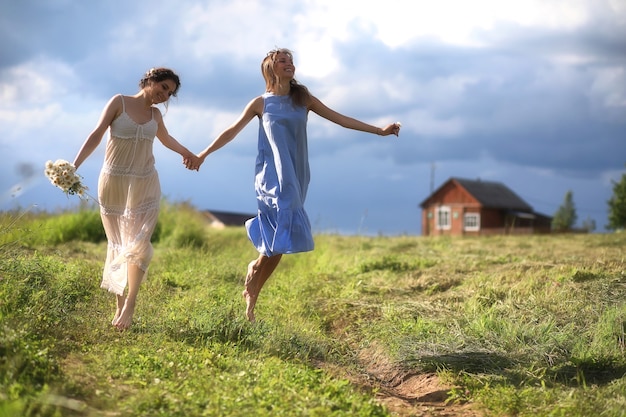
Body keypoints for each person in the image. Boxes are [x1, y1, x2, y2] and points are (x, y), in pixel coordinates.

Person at [196, 48, 401, 322]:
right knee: (280, 230)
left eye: (291, 61)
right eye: (283, 61)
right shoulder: (260, 103)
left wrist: (379, 131)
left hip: (296, 174)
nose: (289, 64)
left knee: (283, 239)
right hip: (270, 176)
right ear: (270, 67)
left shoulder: (302, 99)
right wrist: (203, 154)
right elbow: (231, 131)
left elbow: (339, 118)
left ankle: (255, 273)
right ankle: (252, 294)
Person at [72, 67, 200, 330]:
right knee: (119, 243)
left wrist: (189, 153)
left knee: (140, 241)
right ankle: (119, 304)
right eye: (163, 87)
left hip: (145, 181)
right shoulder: (119, 102)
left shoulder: (154, 115)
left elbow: (166, 140)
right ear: (149, 80)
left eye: (170, 93)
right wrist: (73, 167)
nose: (164, 95)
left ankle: (130, 303)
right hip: (114, 182)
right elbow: (96, 134)